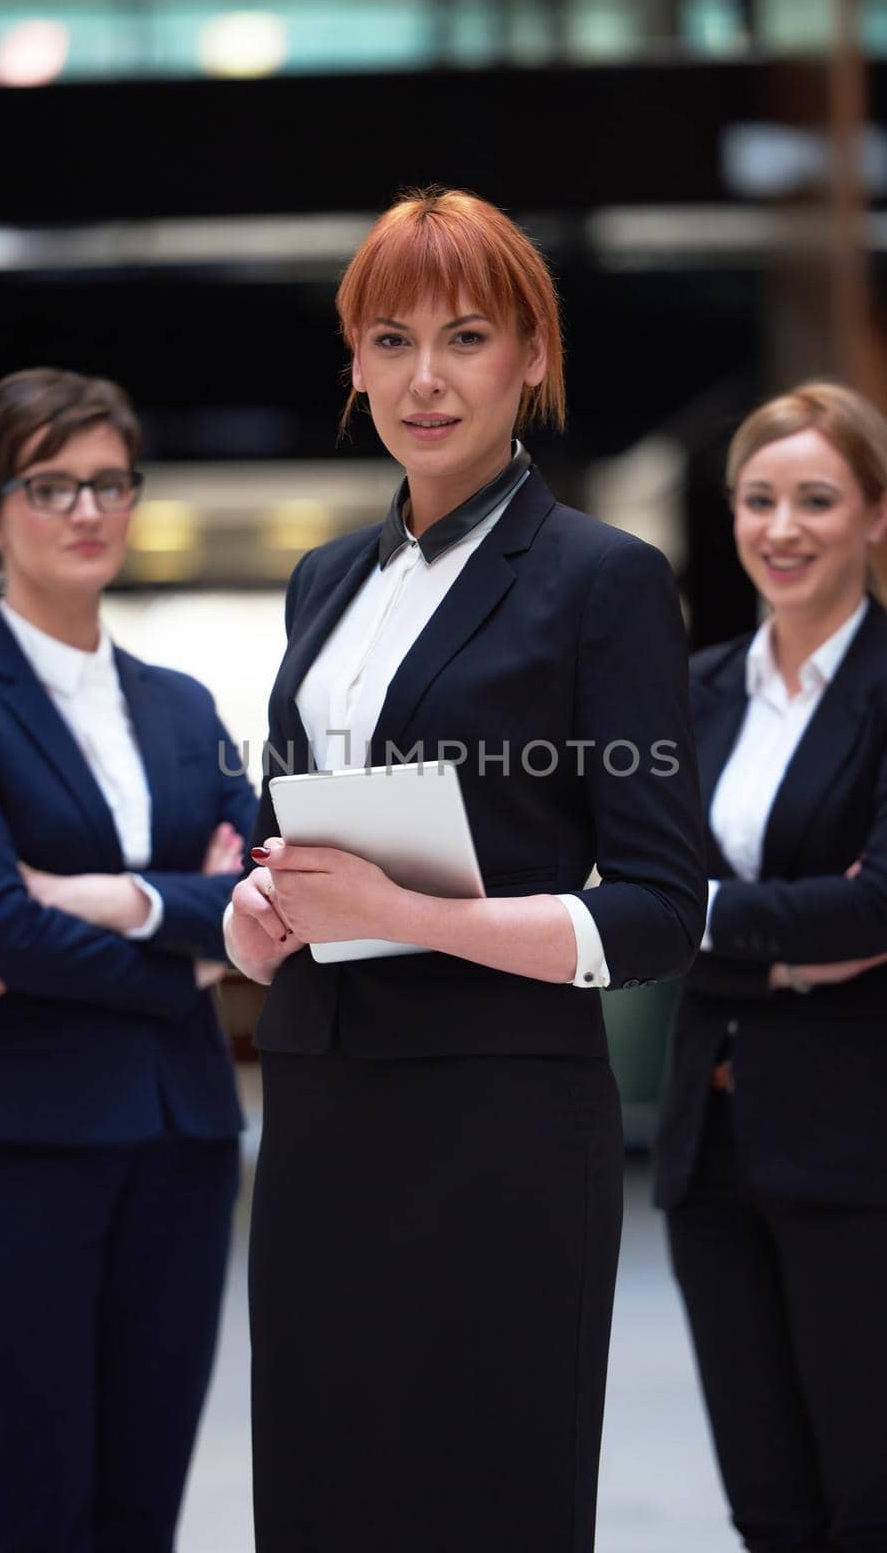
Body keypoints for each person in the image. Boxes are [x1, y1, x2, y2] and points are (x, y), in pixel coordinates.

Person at [224, 187, 707, 1553]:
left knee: (484, 1490)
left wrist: (408, 915)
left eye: (467, 337)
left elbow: (660, 912)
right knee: (323, 1486)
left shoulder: (601, 581)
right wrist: (265, 913)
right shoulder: (324, 581)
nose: (423, 379)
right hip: (322, 1103)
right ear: (354, 364)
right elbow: (290, 826)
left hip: (497, 1119)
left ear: (533, 358)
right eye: (389, 340)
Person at [0, 368, 258, 1552]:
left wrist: (109, 901)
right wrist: (191, 955)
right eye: (51, 485)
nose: (87, 510)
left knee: (142, 1500)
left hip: (183, 1140)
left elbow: (260, 891)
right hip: (18, 1147)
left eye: (109, 482)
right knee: (35, 1500)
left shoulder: (184, 703)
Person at [655, 381, 887, 1553]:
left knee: (879, 1505)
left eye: (817, 499)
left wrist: (696, 922)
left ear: (878, 513)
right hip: (713, 1154)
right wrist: (787, 946)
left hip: (863, 1154)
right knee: (772, 1512)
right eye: (758, 499)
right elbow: (642, 898)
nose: (781, 528)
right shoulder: (692, 694)